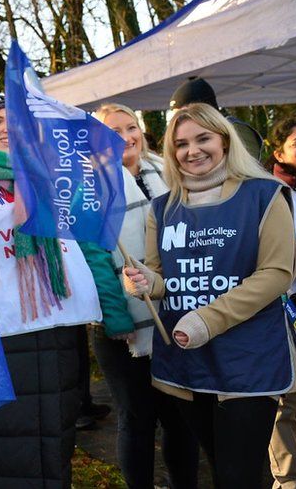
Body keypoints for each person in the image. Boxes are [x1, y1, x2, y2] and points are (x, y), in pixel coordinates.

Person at [124, 103, 296, 488]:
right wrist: (143, 282)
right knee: (220, 467)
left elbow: (277, 274)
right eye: (181, 143)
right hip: (188, 358)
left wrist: (208, 319)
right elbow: (164, 277)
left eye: (203, 138)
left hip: (249, 356)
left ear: (224, 140)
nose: (193, 150)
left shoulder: (265, 195)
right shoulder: (162, 207)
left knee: (240, 475)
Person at [0, 93, 107, 487]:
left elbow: (81, 243)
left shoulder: (46, 181)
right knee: (3, 452)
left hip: (57, 334)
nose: (7, 127)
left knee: (53, 446)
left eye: (14, 119)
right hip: (1, 340)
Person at [91, 103, 199, 489]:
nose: (126, 137)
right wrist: (116, 316)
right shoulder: (89, 188)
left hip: (177, 313)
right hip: (123, 322)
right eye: (112, 131)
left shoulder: (170, 172)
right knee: (137, 417)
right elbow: (94, 262)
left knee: (180, 414)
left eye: (130, 126)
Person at [266, 115, 296, 489]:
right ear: (279, 153)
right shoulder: (269, 193)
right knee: (286, 399)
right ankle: (287, 479)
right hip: (281, 307)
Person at [170, 77, 264, 160]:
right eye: (182, 145)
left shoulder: (236, 129)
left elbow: (247, 167)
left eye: (204, 139)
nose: (179, 119)